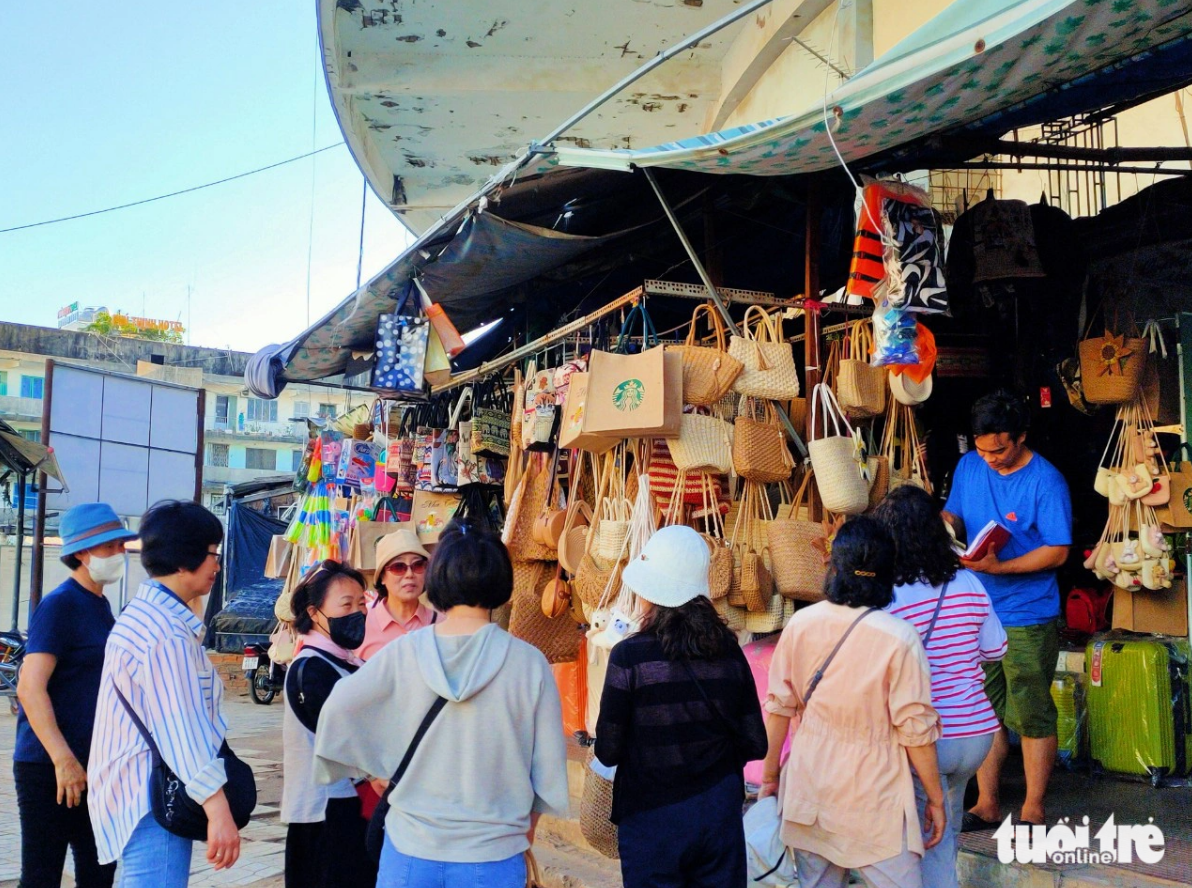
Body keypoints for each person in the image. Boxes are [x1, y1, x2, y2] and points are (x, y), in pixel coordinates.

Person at [314, 520, 569, 888]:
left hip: (409, 849)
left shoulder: (403, 653)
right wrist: (523, 833)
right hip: (493, 856)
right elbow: (546, 770)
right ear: (502, 581)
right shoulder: (529, 664)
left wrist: (374, 772)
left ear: (438, 578)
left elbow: (338, 709)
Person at [760, 516, 945, 888]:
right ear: (888, 572)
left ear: (834, 566)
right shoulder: (900, 638)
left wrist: (770, 777)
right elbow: (915, 732)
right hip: (875, 796)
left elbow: (779, 707)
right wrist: (936, 799)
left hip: (810, 784)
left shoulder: (801, 623)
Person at [594, 525, 767, 888]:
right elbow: (756, 743)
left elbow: (608, 752)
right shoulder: (728, 651)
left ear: (651, 592)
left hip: (650, 819)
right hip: (718, 816)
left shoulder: (630, 658)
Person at [88, 500, 243, 888]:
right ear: (182, 558)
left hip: (140, 791)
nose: (217, 565)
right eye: (212, 554)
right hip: (154, 796)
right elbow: (180, 729)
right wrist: (217, 807)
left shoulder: (146, 615)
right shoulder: (165, 634)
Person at [942, 391, 1072, 829]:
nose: (990, 459)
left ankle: (1034, 806)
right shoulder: (969, 466)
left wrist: (1003, 566)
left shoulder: (1046, 481)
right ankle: (987, 802)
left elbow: (1057, 551)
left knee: (1031, 708)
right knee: (985, 707)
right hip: (976, 608)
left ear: (1020, 437)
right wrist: (944, 528)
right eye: (982, 450)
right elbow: (954, 514)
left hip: (1028, 612)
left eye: (998, 450)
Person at [873, 486, 1008, 888]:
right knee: (942, 833)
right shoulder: (969, 584)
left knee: (914, 840)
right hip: (975, 734)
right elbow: (996, 649)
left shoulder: (889, 595)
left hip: (927, 737)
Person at [14, 503, 136, 888]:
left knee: (99, 870)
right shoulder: (60, 606)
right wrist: (63, 760)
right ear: (83, 553)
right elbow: (29, 686)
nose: (120, 554)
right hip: (49, 766)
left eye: (121, 545)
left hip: (95, 765)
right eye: (112, 546)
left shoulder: (100, 607)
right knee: (42, 875)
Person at [282, 560, 374, 888]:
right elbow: (348, 742)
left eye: (361, 603)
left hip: (350, 809)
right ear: (315, 612)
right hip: (322, 815)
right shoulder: (311, 670)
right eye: (345, 605)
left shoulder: (350, 662)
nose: (357, 613)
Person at [356, 529, 435, 661]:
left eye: (418, 565)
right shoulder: (360, 622)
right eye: (398, 567)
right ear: (382, 577)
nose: (409, 574)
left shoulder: (440, 623)